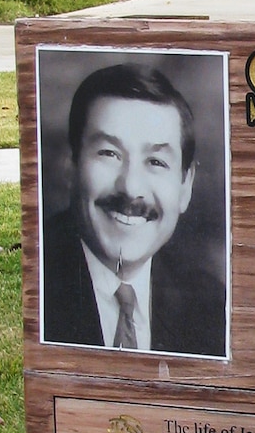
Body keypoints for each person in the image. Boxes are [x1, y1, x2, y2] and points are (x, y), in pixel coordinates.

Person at [42, 63, 227, 358]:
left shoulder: (210, 306)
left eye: (156, 162)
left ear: (185, 186)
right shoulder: (40, 284)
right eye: (109, 153)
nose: (130, 187)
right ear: (71, 167)